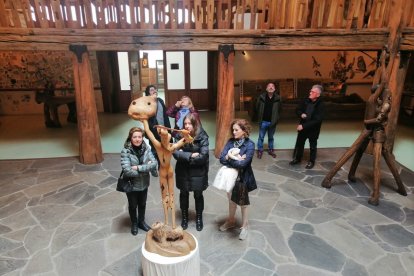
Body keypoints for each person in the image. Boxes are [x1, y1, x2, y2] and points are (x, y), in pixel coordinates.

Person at [216, 119, 257, 240]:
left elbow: (243, 165)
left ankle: (245, 226)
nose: (233, 132)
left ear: (244, 131)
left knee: (243, 203)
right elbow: (221, 159)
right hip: (230, 177)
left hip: (242, 178)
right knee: (231, 201)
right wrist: (237, 158)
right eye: (233, 130)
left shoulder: (250, 145)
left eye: (236, 130)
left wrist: (229, 157)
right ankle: (231, 220)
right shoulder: (230, 142)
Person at [172, 114, 209, 231]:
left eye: (189, 124)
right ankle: (184, 217)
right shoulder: (179, 135)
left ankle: (199, 218)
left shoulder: (202, 136)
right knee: (183, 194)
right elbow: (175, 152)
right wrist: (191, 155)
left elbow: (203, 156)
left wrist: (184, 155)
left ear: (195, 124)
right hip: (183, 171)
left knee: (198, 195)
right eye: (185, 124)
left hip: (198, 171)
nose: (187, 126)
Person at [121, 127, 158, 235]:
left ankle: (141, 222)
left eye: (139, 137)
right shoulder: (126, 151)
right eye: (135, 137)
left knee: (142, 204)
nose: (137, 139)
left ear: (142, 138)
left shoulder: (147, 149)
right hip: (132, 185)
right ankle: (134, 223)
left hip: (144, 183)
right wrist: (146, 168)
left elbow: (154, 163)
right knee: (133, 205)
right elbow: (127, 171)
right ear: (130, 138)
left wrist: (138, 168)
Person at [289, 84, 325, 169]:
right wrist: (301, 114)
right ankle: (297, 159)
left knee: (312, 146)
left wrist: (303, 126)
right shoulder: (305, 100)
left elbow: (317, 120)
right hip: (303, 127)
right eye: (310, 91)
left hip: (313, 129)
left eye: (312, 92)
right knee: (300, 144)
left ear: (318, 94)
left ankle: (311, 162)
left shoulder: (321, 105)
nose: (310, 92)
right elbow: (297, 109)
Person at [144, 85, 171, 167]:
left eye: (155, 89)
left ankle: (161, 165)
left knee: (163, 147)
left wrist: (168, 130)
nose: (154, 91)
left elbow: (165, 116)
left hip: (163, 129)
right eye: (152, 90)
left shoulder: (160, 100)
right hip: (153, 130)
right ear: (148, 93)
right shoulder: (146, 103)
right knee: (154, 148)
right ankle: (152, 165)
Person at [254, 82, 282, 159]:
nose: (271, 87)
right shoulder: (261, 97)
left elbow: (280, 110)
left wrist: (276, 119)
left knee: (271, 137)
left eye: (272, 86)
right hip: (263, 121)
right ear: (266, 89)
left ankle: (270, 150)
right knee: (261, 137)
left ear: (275, 89)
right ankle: (260, 151)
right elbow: (257, 107)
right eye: (269, 86)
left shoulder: (278, 98)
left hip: (272, 122)